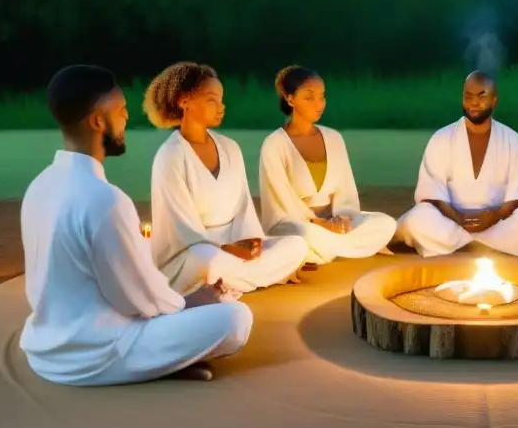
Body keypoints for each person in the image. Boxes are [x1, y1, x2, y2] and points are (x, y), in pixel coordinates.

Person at [19, 65, 253, 386]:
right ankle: (161, 363)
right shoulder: (104, 199)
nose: (126, 118)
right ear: (98, 121)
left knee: (194, 301)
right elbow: (135, 299)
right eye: (121, 110)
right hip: (98, 353)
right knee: (235, 317)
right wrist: (190, 302)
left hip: (45, 351)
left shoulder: (41, 185)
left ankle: (170, 358)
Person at [145, 62, 309, 295]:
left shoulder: (230, 148)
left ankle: (226, 284)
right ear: (184, 101)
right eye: (212, 99)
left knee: (297, 245)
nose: (221, 107)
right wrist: (226, 249)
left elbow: (244, 209)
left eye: (221, 100)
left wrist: (251, 244)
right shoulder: (171, 155)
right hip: (193, 254)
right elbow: (180, 229)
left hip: (236, 248)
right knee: (208, 261)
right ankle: (247, 279)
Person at [395, 70, 518, 257]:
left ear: (494, 101)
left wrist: (495, 216)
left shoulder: (512, 140)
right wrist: (457, 217)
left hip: (498, 224)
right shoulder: (442, 138)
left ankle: (458, 247)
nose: (474, 103)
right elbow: (431, 195)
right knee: (417, 219)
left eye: (481, 96)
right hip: (450, 221)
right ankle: (488, 247)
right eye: (468, 96)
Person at [259, 66, 396, 264]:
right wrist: (318, 223)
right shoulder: (275, 144)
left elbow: (345, 190)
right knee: (307, 236)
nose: (319, 104)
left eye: (322, 96)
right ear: (290, 99)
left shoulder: (334, 138)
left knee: (385, 223)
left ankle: (325, 252)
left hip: (335, 223)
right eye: (309, 97)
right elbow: (280, 200)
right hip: (296, 224)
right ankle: (352, 247)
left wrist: (342, 220)